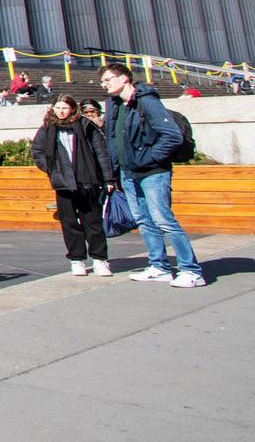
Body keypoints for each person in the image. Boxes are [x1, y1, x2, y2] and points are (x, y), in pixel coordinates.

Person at [100, 63, 205, 287]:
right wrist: (115, 170)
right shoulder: (114, 105)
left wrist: (146, 158)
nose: (104, 84)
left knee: (164, 220)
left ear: (124, 79)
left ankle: (191, 270)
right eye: (103, 81)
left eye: (108, 79)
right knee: (144, 221)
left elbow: (172, 136)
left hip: (153, 172)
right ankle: (159, 266)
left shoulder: (147, 101)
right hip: (129, 173)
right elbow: (112, 140)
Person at [31, 95, 115, 276]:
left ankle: (100, 259)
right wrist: (52, 169)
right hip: (63, 182)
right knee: (69, 222)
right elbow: (37, 151)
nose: (61, 112)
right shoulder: (48, 128)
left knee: (92, 222)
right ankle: (77, 259)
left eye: (65, 108)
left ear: (72, 109)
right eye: (58, 108)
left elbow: (101, 153)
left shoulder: (85, 125)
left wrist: (108, 179)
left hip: (87, 180)